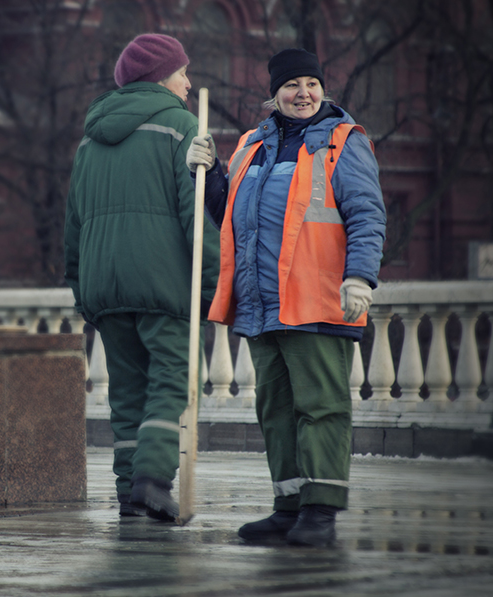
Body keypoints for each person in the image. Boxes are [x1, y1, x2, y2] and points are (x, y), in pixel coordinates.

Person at [185, 48, 386, 546]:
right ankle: (289, 504)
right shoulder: (252, 143)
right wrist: (206, 176)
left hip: (318, 300)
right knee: (275, 410)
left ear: (323, 89)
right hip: (261, 304)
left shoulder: (343, 141)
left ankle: (320, 510)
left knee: (321, 408)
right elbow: (230, 218)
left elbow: (366, 213)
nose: (303, 94)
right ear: (273, 93)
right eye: (292, 85)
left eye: (311, 84)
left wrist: (360, 277)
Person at [64, 33, 220, 522]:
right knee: (174, 379)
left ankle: (130, 489)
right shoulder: (182, 127)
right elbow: (196, 217)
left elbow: (74, 223)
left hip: (104, 285)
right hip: (163, 282)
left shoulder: (91, 137)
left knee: (128, 389)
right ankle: (153, 481)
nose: (188, 82)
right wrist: (211, 286)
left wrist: (81, 286)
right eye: (181, 72)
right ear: (159, 76)